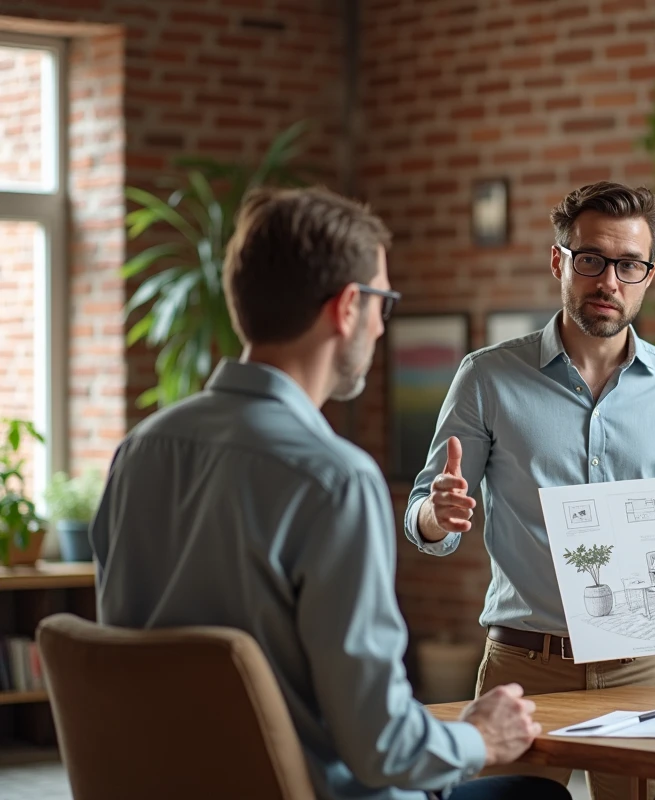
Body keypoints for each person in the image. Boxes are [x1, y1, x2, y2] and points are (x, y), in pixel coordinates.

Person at [91, 187, 570, 800]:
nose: (380, 323)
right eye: (383, 302)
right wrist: (480, 738)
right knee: (534, 794)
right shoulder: (335, 479)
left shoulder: (140, 450)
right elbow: (382, 746)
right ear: (348, 307)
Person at [403, 181, 655, 800]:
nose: (610, 281)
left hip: (643, 664)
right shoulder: (487, 376)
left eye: (629, 265)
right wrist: (438, 517)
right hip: (522, 663)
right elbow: (424, 514)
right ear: (560, 261)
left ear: (648, 275)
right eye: (592, 260)